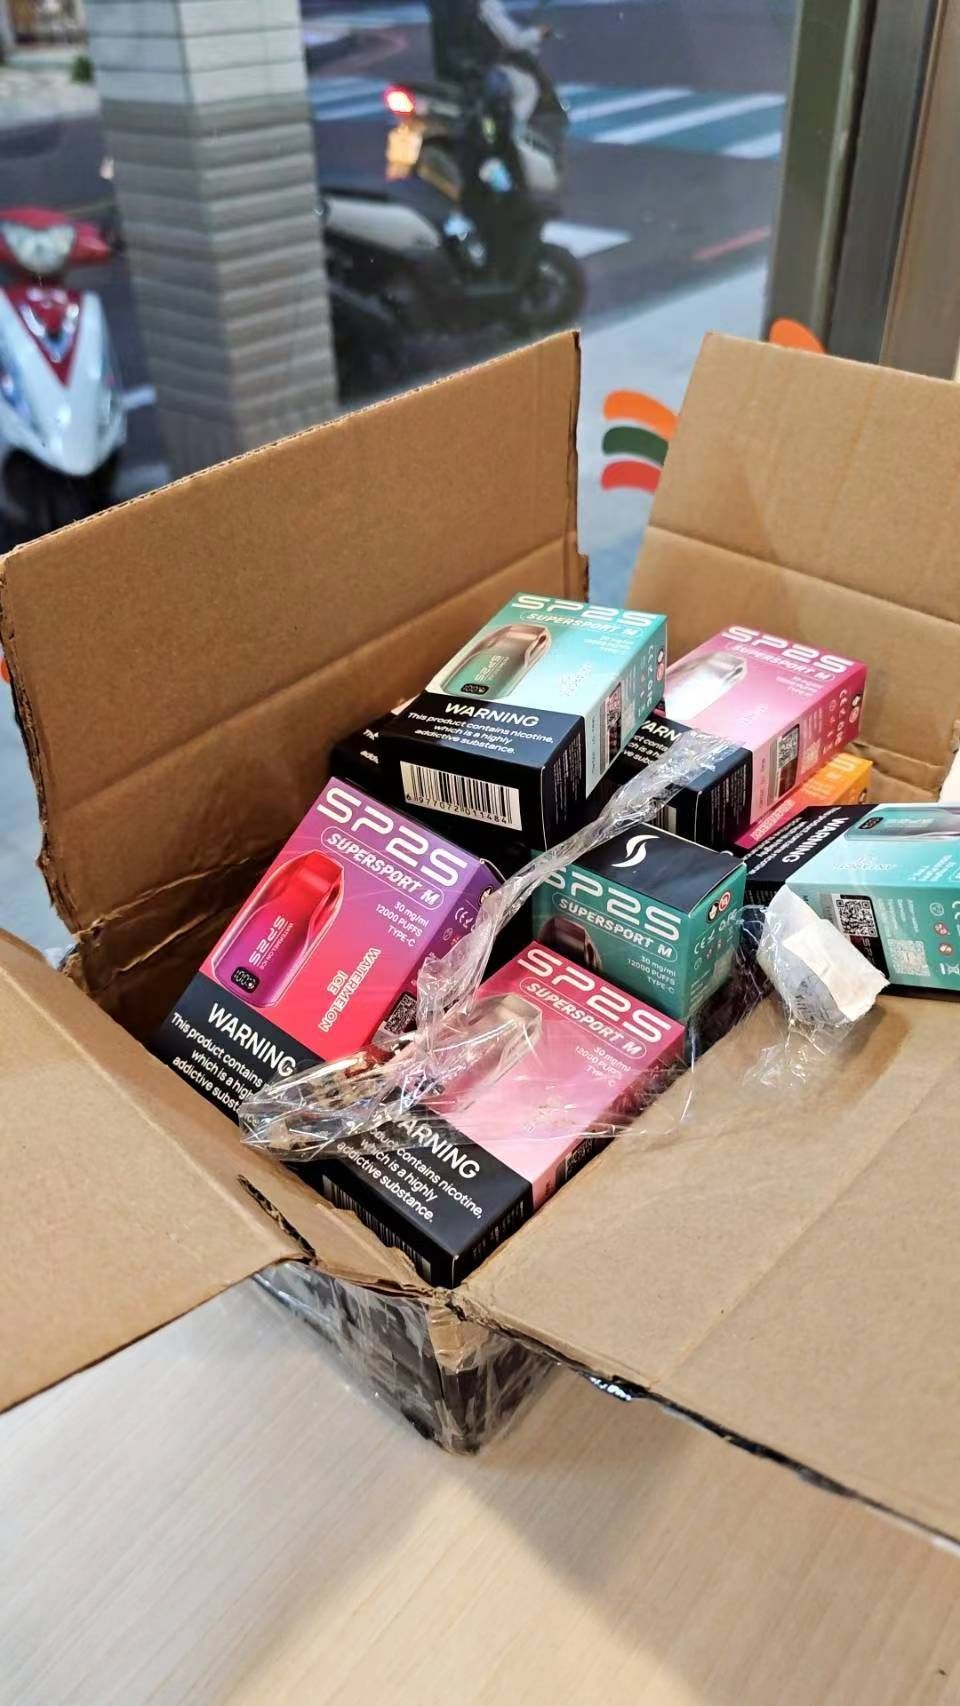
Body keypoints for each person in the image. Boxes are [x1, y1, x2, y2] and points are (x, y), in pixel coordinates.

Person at [428, 0, 547, 125]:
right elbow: (514, 41)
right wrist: (539, 32)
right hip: (483, 73)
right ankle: (511, 131)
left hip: (451, 74)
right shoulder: (487, 4)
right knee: (529, 87)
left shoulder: (443, 5)